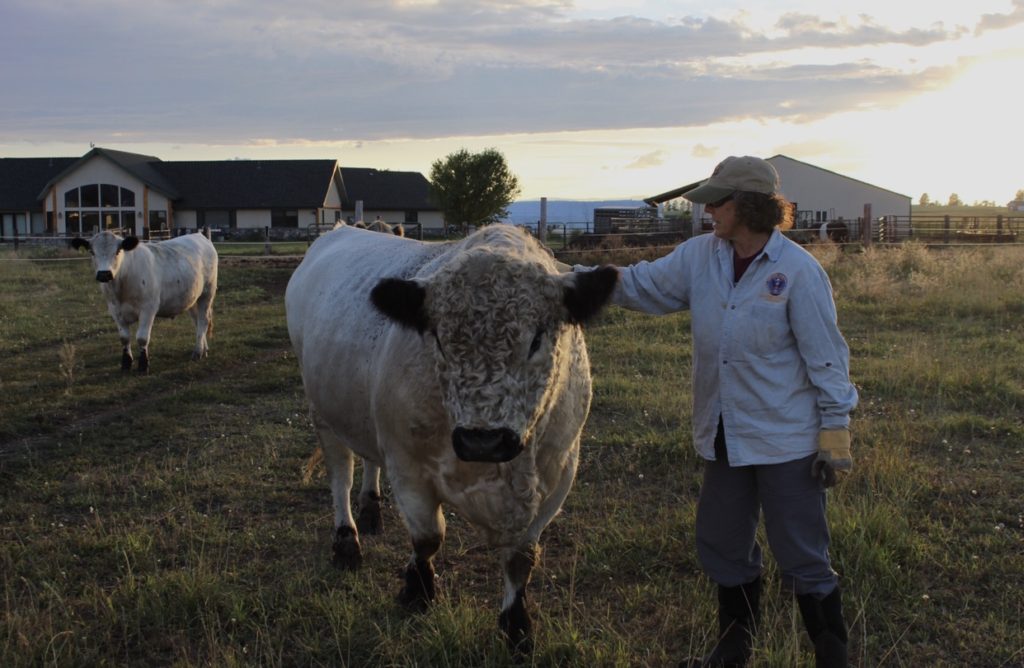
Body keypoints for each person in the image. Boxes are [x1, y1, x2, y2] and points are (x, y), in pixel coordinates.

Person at [573, 156, 858, 667]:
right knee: (723, 544)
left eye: (717, 201)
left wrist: (835, 439)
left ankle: (832, 656)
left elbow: (828, 361)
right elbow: (640, 285)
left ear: (748, 206)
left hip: (785, 442)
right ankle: (734, 649)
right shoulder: (700, 256)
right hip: (724, 436)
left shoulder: (797, 272)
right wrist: (564, 278)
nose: (707, 210)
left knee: (802, 555)